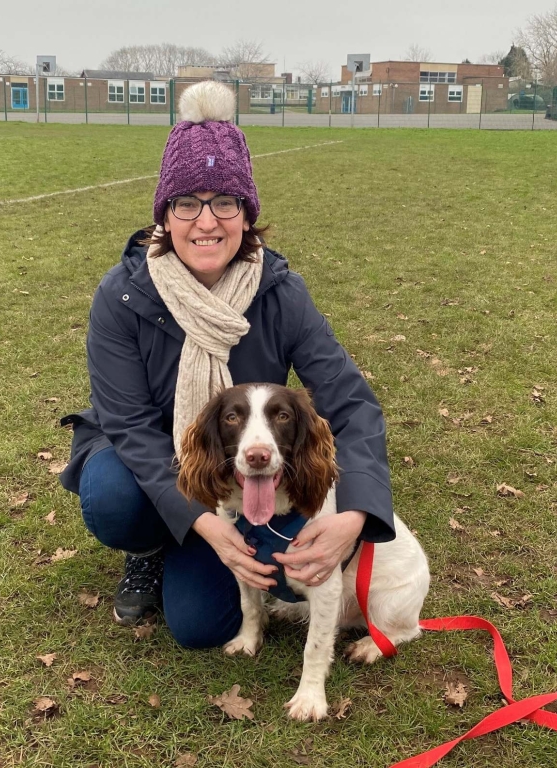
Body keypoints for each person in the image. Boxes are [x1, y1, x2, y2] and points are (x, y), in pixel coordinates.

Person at [59, 80, 396, 648]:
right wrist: (206, 522)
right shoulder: (121, 295)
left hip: (233, 469)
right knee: (113, 495)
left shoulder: (281, 292)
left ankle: (205, 542)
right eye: (187, 203)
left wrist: (356, 516)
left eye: (225, 202)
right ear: (165, 214)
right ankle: (151, 546)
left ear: (246, 213)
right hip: (149, 460)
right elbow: (129, 425)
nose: (206, 222)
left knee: (200, 627)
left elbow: (352, 405)